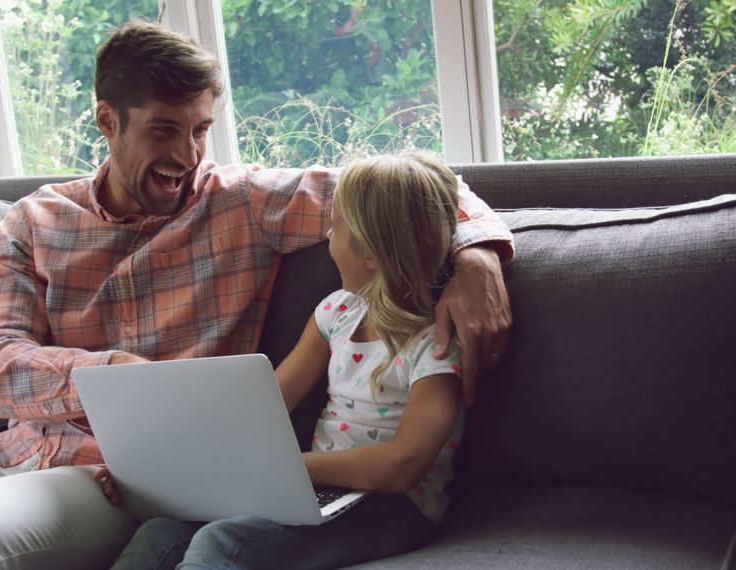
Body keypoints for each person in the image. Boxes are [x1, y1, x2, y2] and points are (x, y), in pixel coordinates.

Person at [0, 21, 512, 569]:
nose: (187, 155)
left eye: (201, 129)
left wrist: (478, 257)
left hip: (116, 479)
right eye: (165, 131)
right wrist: (109, 374)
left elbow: (418, 193)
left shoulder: (244, 203)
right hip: (10, 450)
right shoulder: (35, 220)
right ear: (108, 121)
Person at [104, 151, 468, 569]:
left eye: (337, 227)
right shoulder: (337, 314)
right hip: (316, 490)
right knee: (160, 532)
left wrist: (292, 470)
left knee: (224, 543)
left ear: (370, 253)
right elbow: (264, 408)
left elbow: (403, 467)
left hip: (393, 508)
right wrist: (158, 468)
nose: (328, 236)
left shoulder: (434, 345)